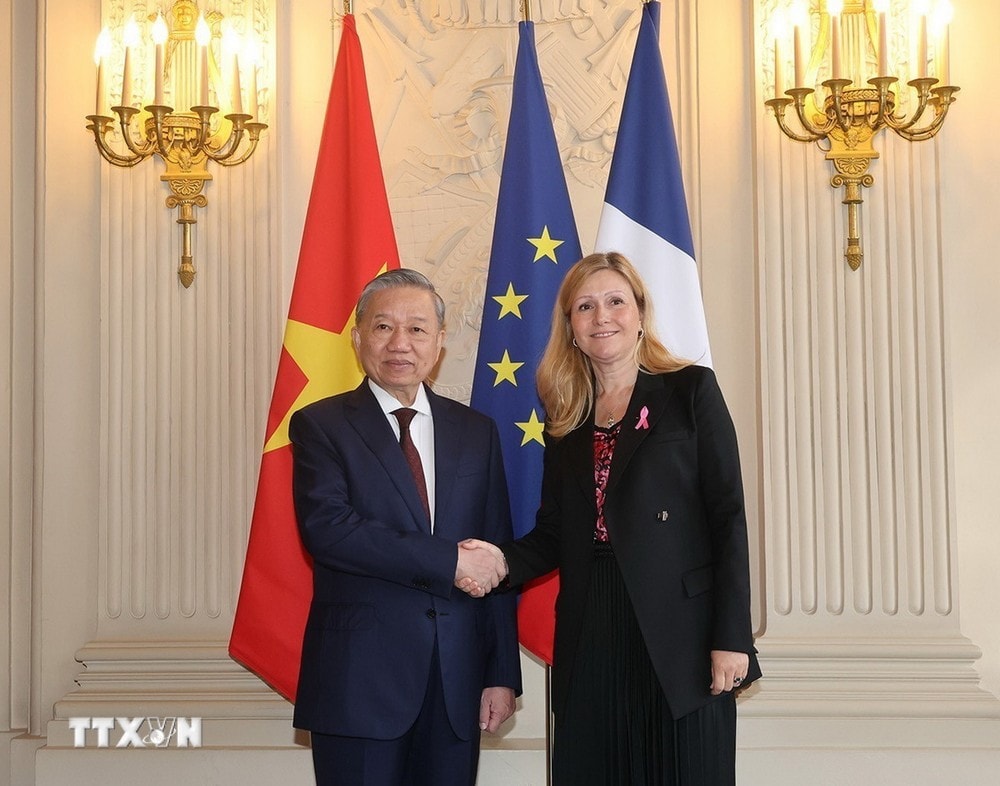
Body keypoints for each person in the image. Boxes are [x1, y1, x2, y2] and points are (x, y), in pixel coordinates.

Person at [461, 252, 761, 785]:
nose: (602, 316)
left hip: (682, 635)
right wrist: (500, 560)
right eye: (585, 306)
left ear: (640, 314)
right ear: (571, 329)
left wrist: (731, 636)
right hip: (591, 625)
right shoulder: (568, 418)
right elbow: (554, 533)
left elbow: (728, 518)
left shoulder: (690, 390)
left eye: (615, 301)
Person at [289, 268, 521, 786]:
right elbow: (330, 531)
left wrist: (501, 674)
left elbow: (496, 553)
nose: (401, 343)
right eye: (383, 326)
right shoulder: (320, 426)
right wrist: (450, 561)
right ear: (357, 338)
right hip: (359, 683)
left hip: (456, 684)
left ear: (438, 344)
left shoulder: (476, 432)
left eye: (417, 329)